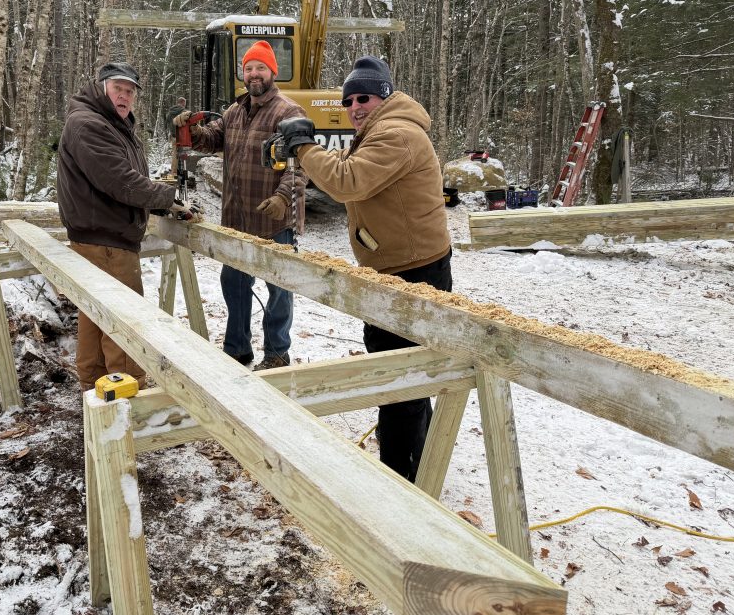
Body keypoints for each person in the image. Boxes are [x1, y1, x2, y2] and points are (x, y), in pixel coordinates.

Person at [274, 56, 452, 483]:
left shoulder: (397, 135)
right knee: (406, 372)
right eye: (349, 100)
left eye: (364, 98)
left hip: (412, 273)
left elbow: (346, 181)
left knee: (397, 378)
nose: (354, 107)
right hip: (395, 267)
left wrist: (303, 147)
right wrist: (301, 160)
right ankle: (419, 459)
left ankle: (398, 479)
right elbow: (342, 171)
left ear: (384, 97)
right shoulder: (377, 132)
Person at [57, 61, 200, 392]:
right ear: (102, 88)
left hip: (99, 237)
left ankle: (94, 389)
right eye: (118, 89)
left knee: (96, 316)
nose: (124, 96)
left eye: (130, 92)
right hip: (108, 242)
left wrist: (160, 201)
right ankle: (127, 397)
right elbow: (120, 181)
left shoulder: (109, 124)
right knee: (124, 322)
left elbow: (122, 180)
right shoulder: (89, 124)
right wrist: (168, 197)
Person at [171, 40, 307, 371]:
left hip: (274, 221)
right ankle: (237, 349)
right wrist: (190, 129)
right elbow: (209, 140)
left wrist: (283, 197)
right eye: (248, 68)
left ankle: (277, 353)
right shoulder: (234, 112)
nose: (254, 73)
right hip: (236, 219)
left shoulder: (288, 113)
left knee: (279, 288)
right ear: (242, 74)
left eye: (261, 67)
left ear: (273, 72)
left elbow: (300, 165)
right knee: (234, 283)